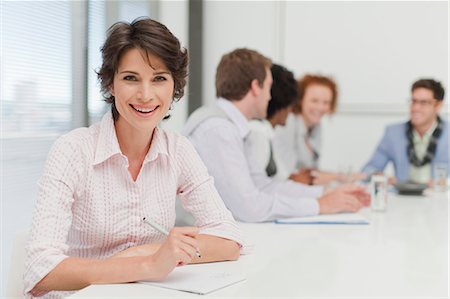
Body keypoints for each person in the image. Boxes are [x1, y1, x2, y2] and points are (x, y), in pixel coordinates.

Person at [23, 18, 243, 299]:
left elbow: (230, 241)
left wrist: (146, 252)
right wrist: (146, 264)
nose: (146, 95)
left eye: (159, 79)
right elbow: (40, 272)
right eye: (130, 78)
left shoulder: (179, 150)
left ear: (173, 87)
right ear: (111, 84)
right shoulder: (73, 150)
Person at [183, 48, 369, 223]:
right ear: (256, 87)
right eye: (268, 87)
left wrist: (324, 193)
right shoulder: (218, 129)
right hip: (193, 241)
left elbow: (263, 185)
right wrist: (320, 205)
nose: (270, 97)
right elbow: (249, 208)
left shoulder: (233, 126)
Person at [272, 74, 365, 185]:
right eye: (314, 101)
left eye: (326, 102)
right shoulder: (288, 123)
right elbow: (291, 175)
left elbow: (312, 171)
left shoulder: (316, 127)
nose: (320, 108)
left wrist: (346, 176)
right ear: (301, 100)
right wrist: (342, 176)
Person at [362, 79, 449, 184]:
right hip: (402, 197)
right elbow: (367, 170)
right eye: (413, 101)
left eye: (424, 102)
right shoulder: (393, 133)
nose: (415, 108)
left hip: (439, 198)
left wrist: (447, 183)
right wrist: (379, 176)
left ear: (438, 105)